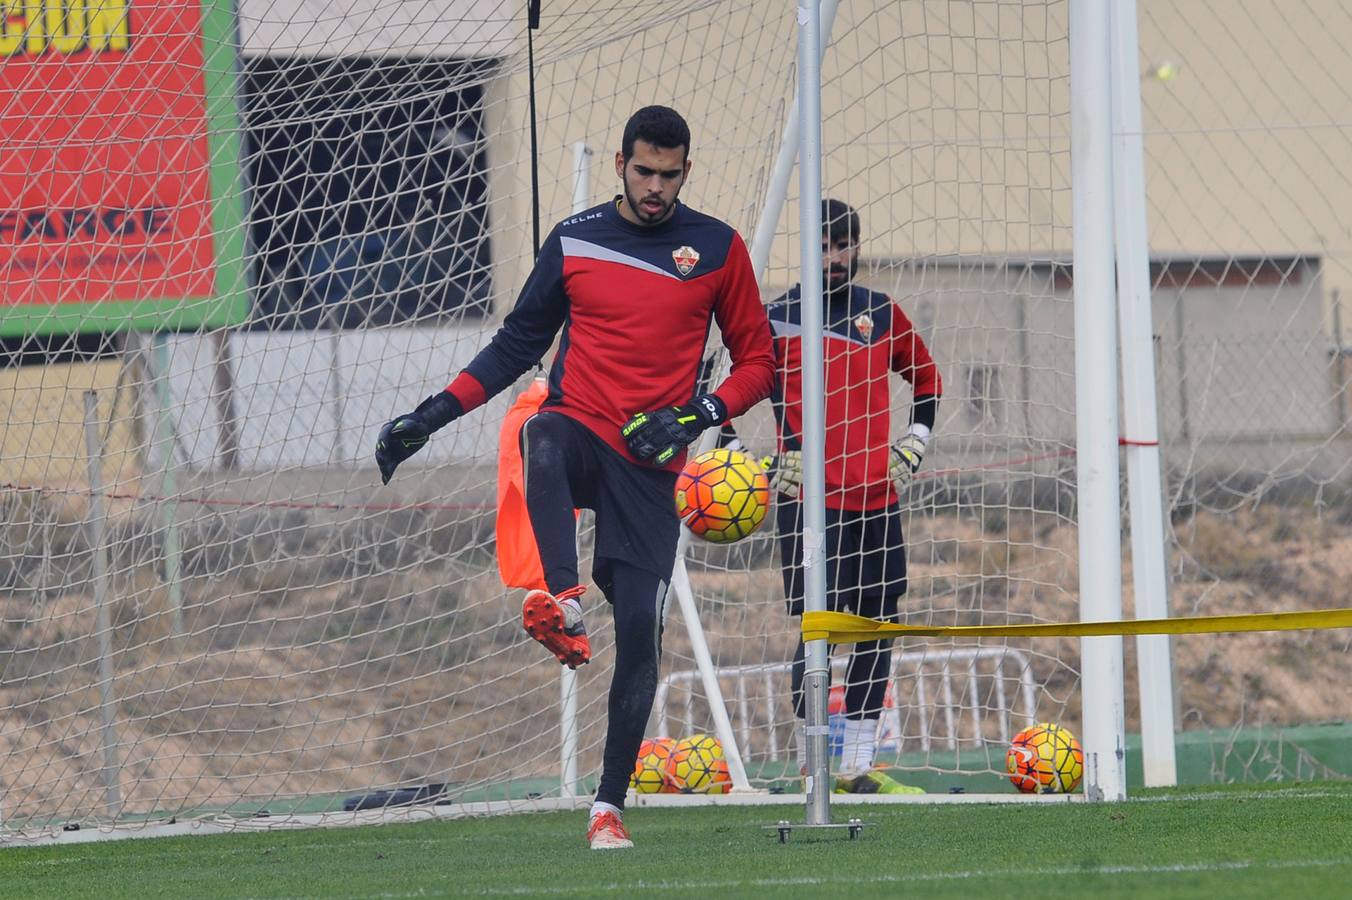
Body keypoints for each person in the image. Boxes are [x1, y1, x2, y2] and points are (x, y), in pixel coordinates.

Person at [374, 106, 775, 849]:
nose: (655, 187)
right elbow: (515, 343)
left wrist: (697, 417)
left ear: (687, 170)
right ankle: (561, 597)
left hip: (653, 467)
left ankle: (607, 807)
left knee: (642, 639)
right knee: (541, 431)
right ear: (622, 162)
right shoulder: (576, 237)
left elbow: (758, 360)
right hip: (583, 429)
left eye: (670, 174)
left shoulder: (718, 248)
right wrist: (428, 417)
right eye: (644, 171)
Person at [764, 199, 942, 794]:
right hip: (811, 504)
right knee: (819, 631)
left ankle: (857, 768)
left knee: (878, 625)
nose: (835, 257)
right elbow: (724, 392)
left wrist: (914, 440)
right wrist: (758, 465)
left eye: (845, 245)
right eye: (822, 246)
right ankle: (814, 765)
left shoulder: (881, 312)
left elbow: (928, 378)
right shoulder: (777, 317)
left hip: (877, 501)